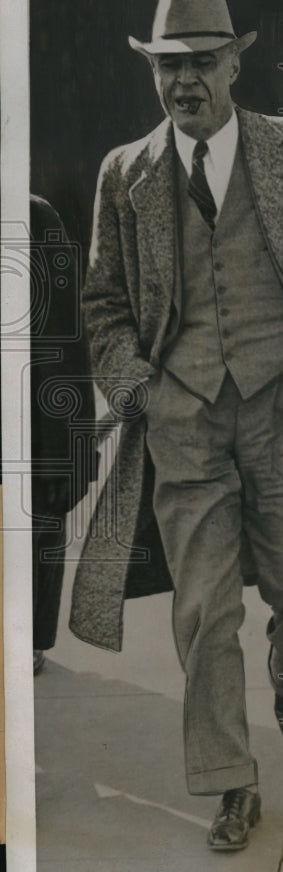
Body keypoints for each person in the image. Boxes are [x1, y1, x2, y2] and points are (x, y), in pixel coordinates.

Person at [70, 0, 283, 852]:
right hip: (185, 423)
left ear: (238, 62)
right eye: (168, 66)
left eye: (202, 62)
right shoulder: (125, 173)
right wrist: (144, 392)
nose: (183, 81)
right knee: (203, 610)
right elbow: (103, 305)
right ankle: (230, 783)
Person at [30, 195, 97, 675]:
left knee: (39, 515)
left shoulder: (35, 218)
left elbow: (68, 340)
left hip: (34, 415)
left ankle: (31, 637)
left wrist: (72, 448)